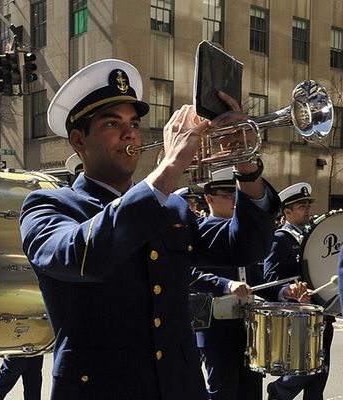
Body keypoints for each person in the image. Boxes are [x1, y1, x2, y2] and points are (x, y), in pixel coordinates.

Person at [19, 59, 279, 399]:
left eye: (134, 123)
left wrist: (246, 166)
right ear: (79, 141)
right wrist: (170, 167)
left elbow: (246, 246)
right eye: (112, 123)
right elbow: (85, 257)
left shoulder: (170, 207)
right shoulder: (48, 206)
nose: (129, 133)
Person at [192, 168, 302, 400]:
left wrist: (284, 291)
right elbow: (189, 273)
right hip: (216, 328)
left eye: (236, 195)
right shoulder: (199, 232)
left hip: (249, 328)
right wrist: (224, 284)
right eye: (227, 195)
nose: (234, 201)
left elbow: (257, 278)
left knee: (251, 392)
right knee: (223, 391)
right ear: (209, 198)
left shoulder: (244, 235)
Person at [264, 183, 332, 400]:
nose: (307, 209)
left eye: (307, 205)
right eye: (301, 206)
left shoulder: (314, 237)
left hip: (321, 310)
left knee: (321, 369)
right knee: (308, 365)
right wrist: (289, 290)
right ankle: (280, 390)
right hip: (298, 315)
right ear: (287, 212)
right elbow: (268, 279)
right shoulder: (280, 240)